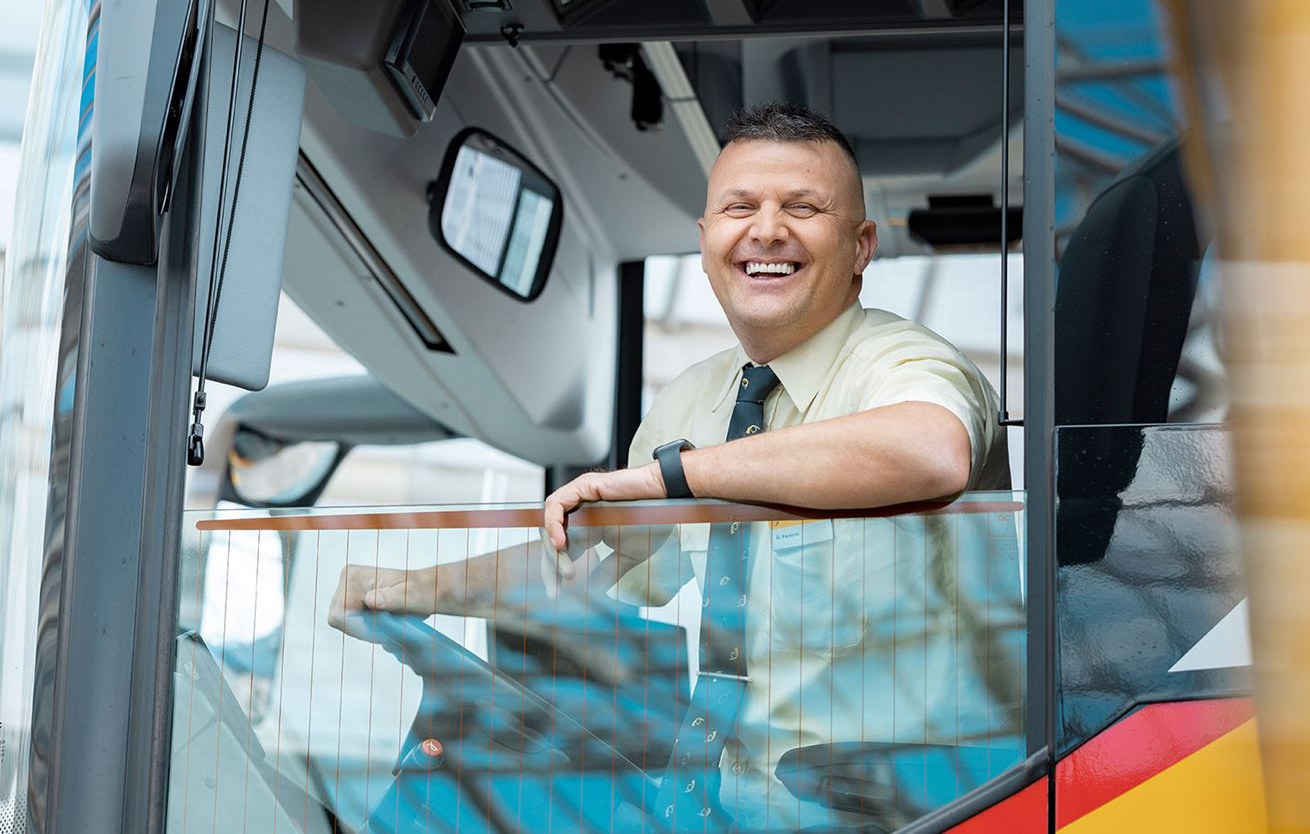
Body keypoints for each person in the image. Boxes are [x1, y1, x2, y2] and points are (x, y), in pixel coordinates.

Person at [331, 103, 1020, 830]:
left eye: (803, 207)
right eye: (739, 207)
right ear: (705, 240)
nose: (766, 230)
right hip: (718, 810)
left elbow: (932, 451)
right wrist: (415, 590)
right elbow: (582, 556)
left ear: (861, 245)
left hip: (917, 814)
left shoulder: (904, 363)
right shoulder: (691, 400)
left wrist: (675, 478)